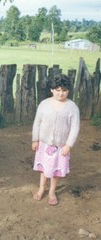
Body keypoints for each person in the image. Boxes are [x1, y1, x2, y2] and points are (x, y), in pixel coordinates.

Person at [32, 74, 80, 206]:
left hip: (61, 146)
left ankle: (52, 191)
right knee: (43, 169)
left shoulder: (72, 108)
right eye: (58, 90)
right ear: (52, 90)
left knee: (55, 170)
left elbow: (74, 128)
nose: (61, 93)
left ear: (68, 91)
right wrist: (35, 140)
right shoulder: (44, 104)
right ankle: (42, 188)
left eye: (64, 90)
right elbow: (37, 123)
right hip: (44, 144)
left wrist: (68, 145)